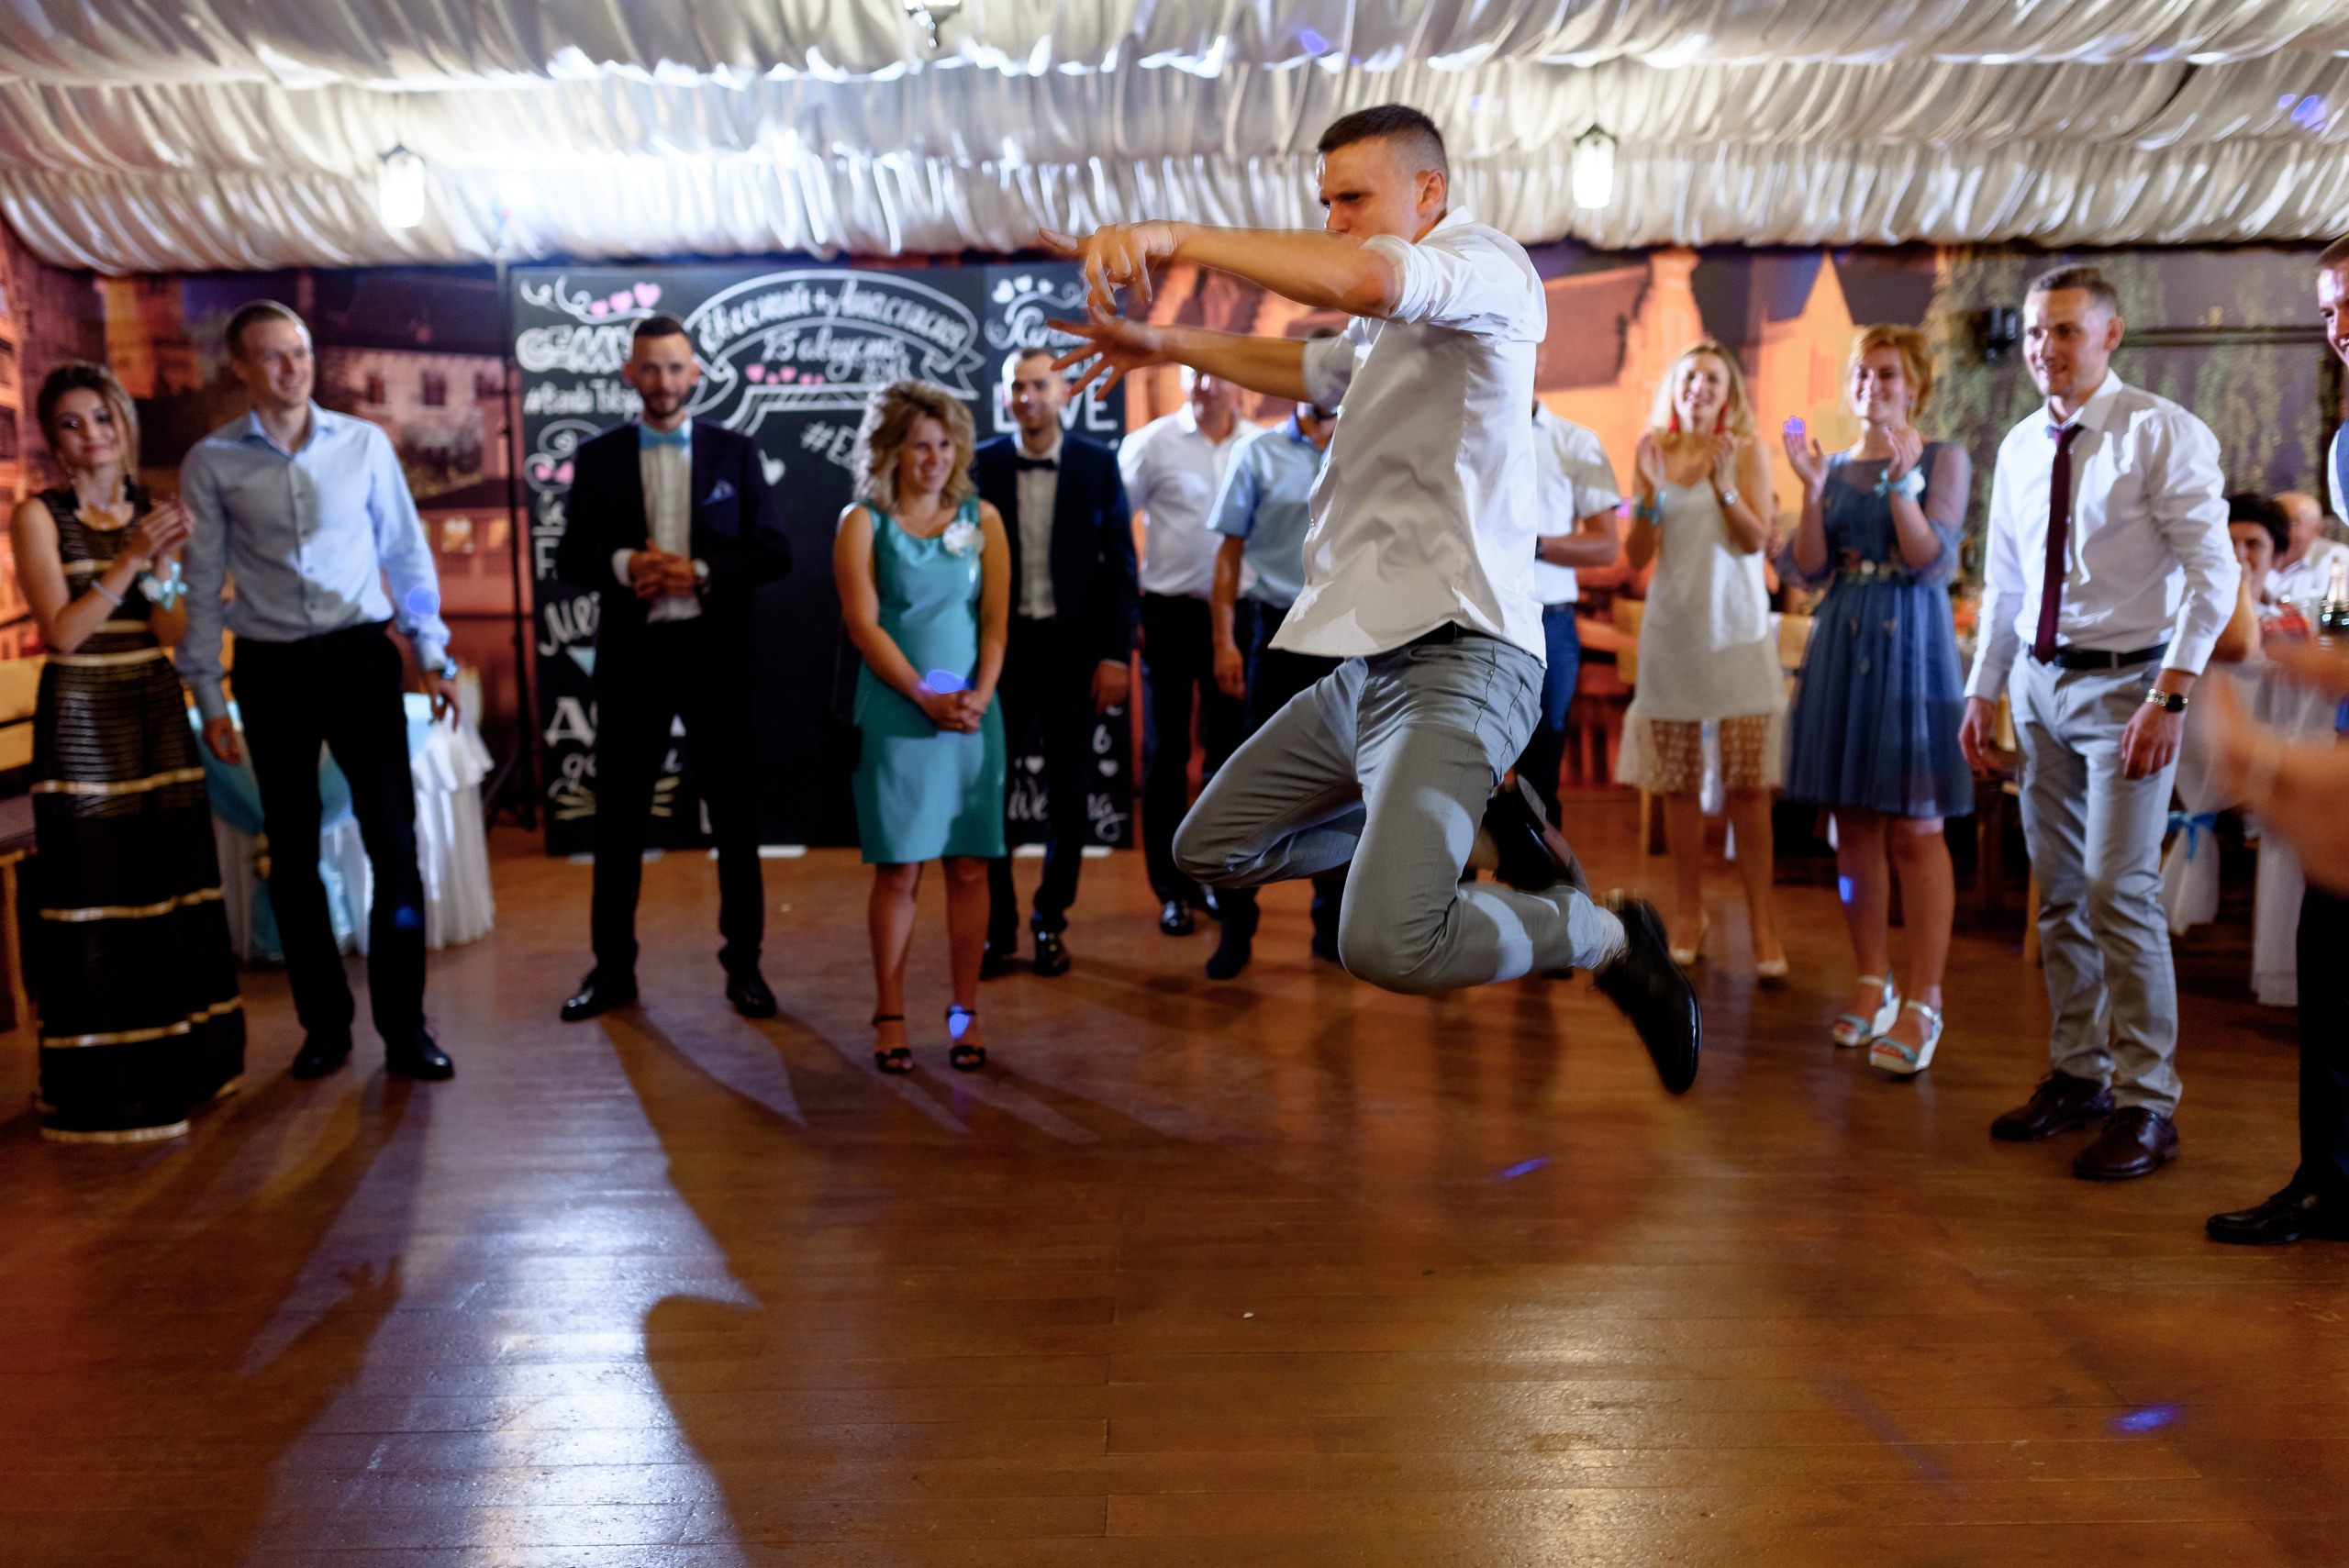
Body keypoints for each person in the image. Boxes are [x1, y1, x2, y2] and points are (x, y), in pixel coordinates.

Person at [1041, 102, 1699, 1091]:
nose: (1335, 220)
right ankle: (1482, 826)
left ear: (1429, 190)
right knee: (1209, 847)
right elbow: (1312, 367)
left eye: (1352, 197)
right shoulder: (1387, 324)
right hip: (1374, 670)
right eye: (1326, 203)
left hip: (1470, 654)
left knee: (1387, 941)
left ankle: (1599, 934)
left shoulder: (1484, 264)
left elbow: (1369, 277)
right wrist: (1166, 341)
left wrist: (1176, 235)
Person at [1957, 264, 2236, 1182]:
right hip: (2037, 688)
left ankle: (2149, 1102)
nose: (2046, 347)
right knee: (2062, 891)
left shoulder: (2160, 431)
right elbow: (2005, 581)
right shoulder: (2019, 445)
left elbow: (2214, 574)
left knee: (2121, 889)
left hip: (2130, 693)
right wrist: (1982, 689)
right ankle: (2080, 1073)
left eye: (2067, 330)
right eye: (2037, 331)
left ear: (2110, 334)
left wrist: (2170, 695)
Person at [180, 300, 460, 1084]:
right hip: (269, 669)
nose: (291, 368)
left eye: (299, 352)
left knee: (394, 847)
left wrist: (432, 651)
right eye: (272, 355)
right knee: (293, 854)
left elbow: (407, 555)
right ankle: (324, 1025)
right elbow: (201, 584)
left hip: (361, 658)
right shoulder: (212, 462)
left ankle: (405, 1027)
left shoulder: (363, 444)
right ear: (241, 367)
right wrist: (208, 695)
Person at [10, 363, 243, 1141]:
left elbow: (170, 632)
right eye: (71, 423)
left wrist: (170, 565)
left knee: (167, 885)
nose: (91, 435)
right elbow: (63, 632)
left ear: (124, 425)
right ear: (54, 440)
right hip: (82, 716)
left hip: (151, 705)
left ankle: (184, 1062)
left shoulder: (150, 512)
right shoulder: (38, 514)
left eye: (102, 418)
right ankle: (106, 1084)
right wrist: (132, 557)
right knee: (98, 890)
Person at [551, 314, 792, 1024]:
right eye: (650, 367)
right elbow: (571, 558)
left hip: (716, 659)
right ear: (630, 373)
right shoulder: (598, 458)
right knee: (619, 822)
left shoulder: (736, 452)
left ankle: (745, 965)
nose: (663, 381)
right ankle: (612, 969)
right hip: (634, 660)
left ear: (695, 373)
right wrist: (628, 564)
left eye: (675, 367)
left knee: (736, 819)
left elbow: (775, 552)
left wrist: (701, 572)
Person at [2199, 237, 2349, 1244]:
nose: (2340, 329)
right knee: (2329, 961)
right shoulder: (2347, 447)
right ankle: (2328, 1180)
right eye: (2329, 309)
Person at [1778, 326, 1973, 1074]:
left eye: (1888, 374)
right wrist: (1810, 489)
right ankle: (1872, 980)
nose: (1873, 385)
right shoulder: (1829, 464)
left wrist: (1900, 484)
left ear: (1914, 385)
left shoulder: (1942, 457)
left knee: (1918, 828)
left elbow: (1929, 561)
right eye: (1863, 373)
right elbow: (1808, 568)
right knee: (1854, 825)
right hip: (1842, 637)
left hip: (1912, 642)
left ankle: (1927, 996)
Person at [834, 381, 1010, 1074]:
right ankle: (890, 1014)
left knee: (969, 867)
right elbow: (863, 626)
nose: (935, 458)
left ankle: (965, 1015)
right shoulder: (863, 521)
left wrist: (978, 697)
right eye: (919, 445)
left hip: (972, 717)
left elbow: (994, 623)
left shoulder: (982, 518)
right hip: (896, 714)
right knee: (900, 869)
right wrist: (924, 694)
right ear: (892, 451)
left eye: (944, 444)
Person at [1616, 341, 1788, 977]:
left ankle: (1763, 924)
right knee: (1679, 784)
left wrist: (1723, 489)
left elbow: (1754, 541)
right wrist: (1649, 494)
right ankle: (1689, 913)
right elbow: (1637, 556)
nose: (1699, 387)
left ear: (1728, 393)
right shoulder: (1653, 450)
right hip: (1674, 633)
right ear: (1675, 385)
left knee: (1748, 785)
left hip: (1736, 631)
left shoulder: (1747, 450)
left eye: (1712, 379)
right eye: (1690, 376)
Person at [972, 348, 1139, 978]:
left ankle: (1049, 921)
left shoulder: (1097, 464)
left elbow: (1120, 566)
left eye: (1039, 385)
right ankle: (996, 928)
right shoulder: (982, 462)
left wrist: (1114, 653)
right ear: (1006, 396)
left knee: (1069, 795)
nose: (1028, 397)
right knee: (988, 790)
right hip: (1001, 652)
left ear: (1064, 393)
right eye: (1017, 386)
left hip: (1073, 655)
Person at [1200, 384, 1342, 978]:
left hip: (1347, 632)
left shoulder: (1371, 439)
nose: (1330, 389)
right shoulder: (1256, 452)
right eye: (1319, 378)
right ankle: (1236, 927)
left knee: (1343, 782)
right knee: (1251, 779)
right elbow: (1228, 553)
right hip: (1274, 629)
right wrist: (1224, 640)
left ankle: (1331, 928)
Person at [1122, 367, 1251, 937]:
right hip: (1168, 614)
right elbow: (1113, 522)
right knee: (1166, 753)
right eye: (1195, 377)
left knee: (1229, 755)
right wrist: (1130, 606)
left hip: (1241, 617)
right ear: (1182, 383)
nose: (1206, 387)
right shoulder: (1152, 444)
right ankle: (1171, 890)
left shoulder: (1259, 445)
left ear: (1236, 385)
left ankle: (1218, 878)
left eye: (1216, 378)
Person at [1515, 404, 1624, 826]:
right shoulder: (1454, 425)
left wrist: (1530, 545)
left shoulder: (1576, 442)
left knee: (1538, 782)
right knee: (1459, 773)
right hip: (1468, 620)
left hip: (1548, 621)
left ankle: (1534, 868)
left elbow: (1606, 546)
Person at [2268, 489, 2349, 612]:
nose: (2280, 531)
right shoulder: (2251, 557)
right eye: (2274, 522)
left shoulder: (2338, 559)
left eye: (2291, 522)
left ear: (2317, 529)